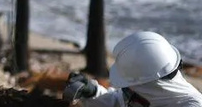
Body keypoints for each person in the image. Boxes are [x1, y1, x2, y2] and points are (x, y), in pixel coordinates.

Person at [65, 31, 202, 107]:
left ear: (145, 84)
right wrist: (93, 91)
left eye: (129, 84)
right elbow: (116, 101)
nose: (128, 89)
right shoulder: (149, 94)